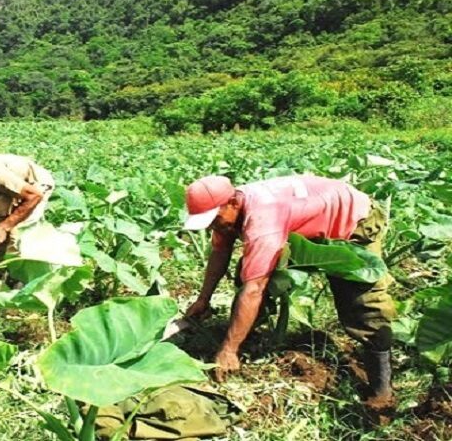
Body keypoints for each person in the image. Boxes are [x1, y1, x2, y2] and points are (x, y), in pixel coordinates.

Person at [166, 174, 396, 406]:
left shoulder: (263, 219)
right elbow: (219, 252)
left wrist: (228, 349)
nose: (214, 226)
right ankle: (248, 341)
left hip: (353, 219)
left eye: (214, 219)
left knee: (361, 301)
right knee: (248, 273)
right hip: (307, 220)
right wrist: (203, 299)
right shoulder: (227, 212)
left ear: (233, 202)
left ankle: (381, 389)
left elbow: (254, 289)